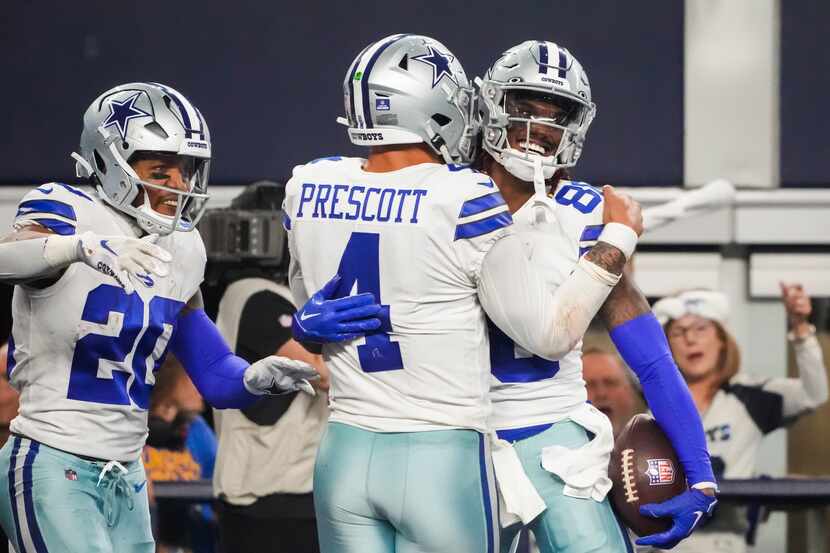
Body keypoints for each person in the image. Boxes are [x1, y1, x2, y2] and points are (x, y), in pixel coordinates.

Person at [284, 33, 643, 553]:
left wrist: (303, 329)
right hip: (438, 448)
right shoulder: (463, 194)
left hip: (343, 446)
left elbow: (313, 308)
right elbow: (549, 334)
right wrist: (616, 241)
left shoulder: (308, 185)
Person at [0, 82, 336, 553]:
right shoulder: (67, 209)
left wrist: (256, 378)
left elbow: (215, 374)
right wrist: (77, 248)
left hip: (128, 473)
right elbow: (6, 257)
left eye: (187, 171)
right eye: (161, 170)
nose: (178, 186)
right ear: (111, 162)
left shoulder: (183, 247)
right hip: (54, 458)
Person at [475, 41, 717, 552]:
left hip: (556, 442)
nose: (538, 128)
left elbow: (652, 360)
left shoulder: (586, 216)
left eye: (555, 114)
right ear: (491, 105)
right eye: (523, 107)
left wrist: (699, 474)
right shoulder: (443, 199)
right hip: (453, 436)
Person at [651, 286, 828, 553]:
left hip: (725, 544)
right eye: (678, 332)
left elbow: (813, 394)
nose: (690, 339)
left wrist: (801, 329)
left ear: (722, 338)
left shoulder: (748, 395)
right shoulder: (652, 401)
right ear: (667, 344)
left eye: (701, 328)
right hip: (663, 545)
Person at [144, 356, 217, 553]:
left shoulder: (197, 430)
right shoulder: (127, 428)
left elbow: (220, 486)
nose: (201, 388)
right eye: (192, 378)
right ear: (170, 379)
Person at [582, 347, 641, 438]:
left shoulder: (660, 445)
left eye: (610, 383)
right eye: (589, 385)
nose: (601, 393)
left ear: (631, 391)